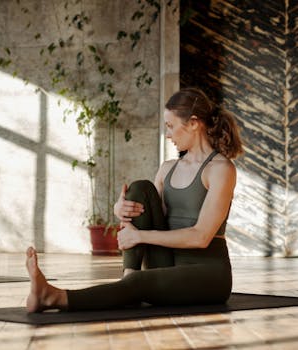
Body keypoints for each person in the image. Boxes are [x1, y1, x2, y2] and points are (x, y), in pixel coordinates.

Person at [25, 87, 244, 312]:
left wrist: (138, 235)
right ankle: (128, 273)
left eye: (170, 126)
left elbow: (200, 237)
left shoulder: (220, 169)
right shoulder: (167, 168)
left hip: (207, 274)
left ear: (194, 123)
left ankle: (53, 297)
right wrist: (120, 209)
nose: (167, 135)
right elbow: (145, 212)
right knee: (140, 189)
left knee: (138, 284)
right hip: (167, 263)